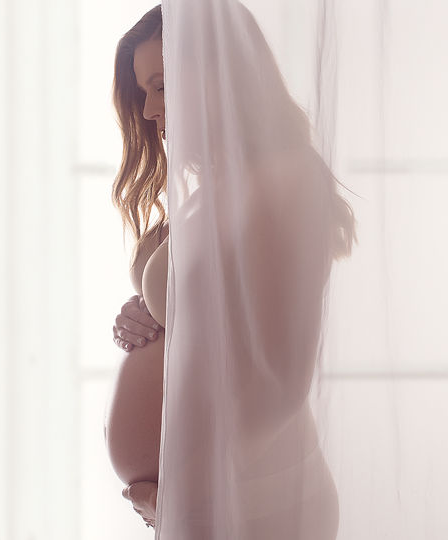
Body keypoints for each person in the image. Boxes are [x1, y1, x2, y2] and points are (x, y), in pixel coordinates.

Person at [105, 2, 357, 538]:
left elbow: (280, 379)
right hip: (210, 496)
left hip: (255, 498)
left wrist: (189, 493)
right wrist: (145, 312)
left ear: (221, 74)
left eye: (162, 86)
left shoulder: (283, 179)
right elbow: (217, 321)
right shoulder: (220, 183)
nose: (150, 111)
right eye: (144, 92)